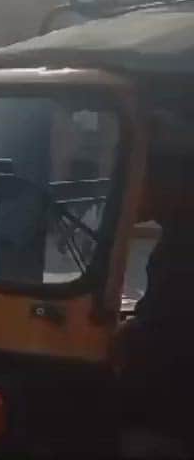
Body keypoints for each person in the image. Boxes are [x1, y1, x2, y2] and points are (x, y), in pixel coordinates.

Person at [114, 152, 194, 450]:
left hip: (169, 415)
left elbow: (172, 324)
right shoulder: (177, 233)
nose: (133, 190)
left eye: (140, 179)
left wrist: (133, 332)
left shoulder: (183, 246)